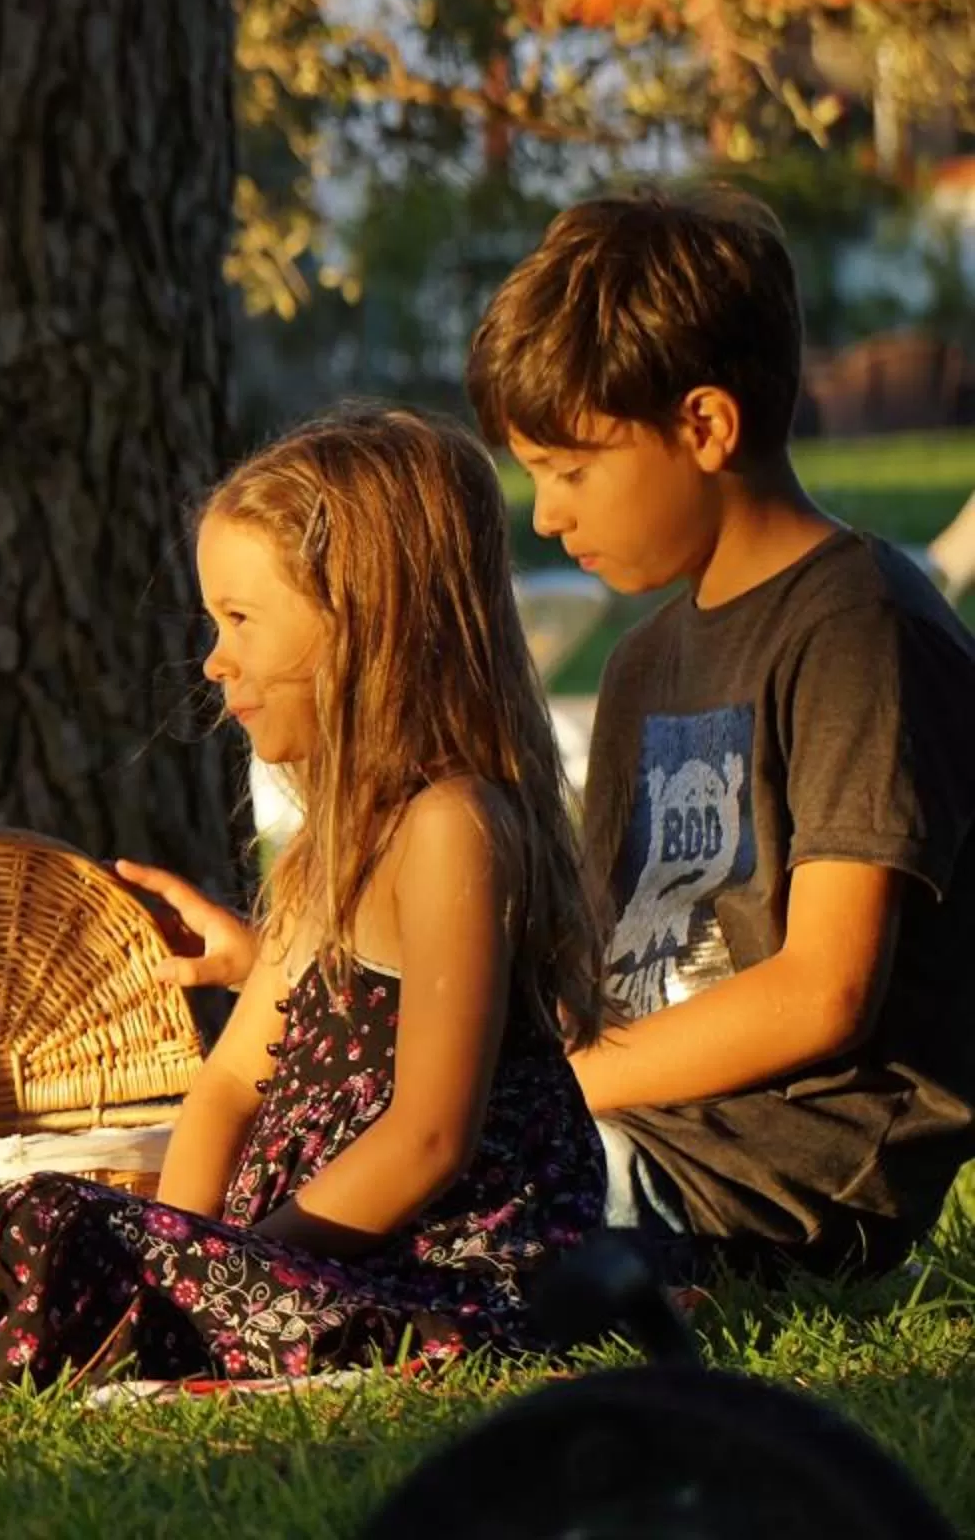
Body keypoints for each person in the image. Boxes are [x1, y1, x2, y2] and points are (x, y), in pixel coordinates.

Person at [133, 190, 975, 1280]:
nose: (544, 513)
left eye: (572, 468)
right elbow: (583, 977)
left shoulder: (859, 626)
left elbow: (823, 991)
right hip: (617, 1139)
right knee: (310, 1147)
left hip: (759, 1190)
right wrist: (311, 976)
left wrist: (535, 1092)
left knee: (392, 1171)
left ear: (706, 425)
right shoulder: (642, 664)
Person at [0, 407, 609, 1408]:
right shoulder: (326, 847)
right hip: (295, 1259)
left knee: (48, 1227)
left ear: (361, 616)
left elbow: (429, 1138)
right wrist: (178, 1254)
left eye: (240, 618)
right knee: (29, 1223)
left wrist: (205, 1266)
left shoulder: (451, 824)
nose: (213, 659)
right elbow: (230, 1083)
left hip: (440, 1273)